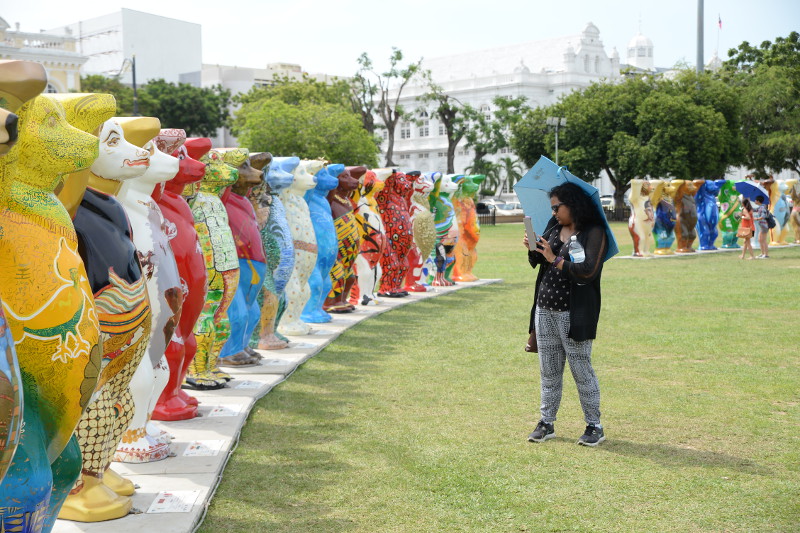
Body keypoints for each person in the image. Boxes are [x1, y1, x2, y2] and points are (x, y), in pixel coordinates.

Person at [522, 182, 609, 447]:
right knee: (548, 370)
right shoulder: (553, 227)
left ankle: (594, 425)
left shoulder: (594, 232)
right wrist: (533, 248)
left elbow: (587, 271)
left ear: (573, 203)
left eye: (557, 207)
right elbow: (537, 262)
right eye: (552, 208)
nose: (555, 212)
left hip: (575, 312)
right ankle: (546, 422)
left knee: (581, 369)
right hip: (544, 309)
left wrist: (554, 258)